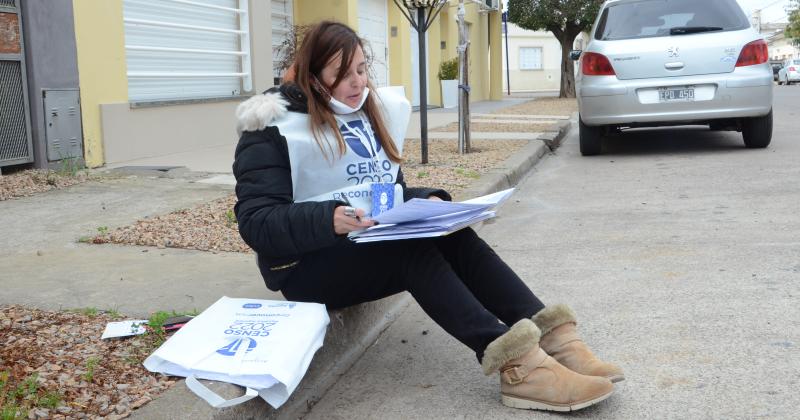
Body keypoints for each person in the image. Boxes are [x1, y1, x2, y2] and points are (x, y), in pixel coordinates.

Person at [233, 20, 623, 412]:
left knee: (453, 236)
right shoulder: (269, 126)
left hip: (363, 244)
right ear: (313, 77)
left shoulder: (363, 112)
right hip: (304, 267)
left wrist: (429, 200)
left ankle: (553, 337)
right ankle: (517, 365)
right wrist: (327, 218)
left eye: (361, 70)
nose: (357, 83)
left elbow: (383, 193)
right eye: (341, 74)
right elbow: (256, 223)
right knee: (408, 255)